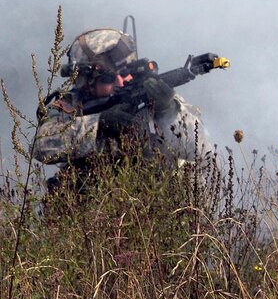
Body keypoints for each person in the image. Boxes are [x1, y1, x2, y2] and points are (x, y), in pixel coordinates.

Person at [33, 28, 208, 188]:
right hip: (96, 209)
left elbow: (201, 151)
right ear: (87, 81)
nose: (121, 81)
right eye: (109, 78)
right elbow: (42, 146)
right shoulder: (70, 105)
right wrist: (100, 123)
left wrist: (168, 111)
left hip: (155, 205)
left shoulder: (150, 95)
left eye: (124, 73)